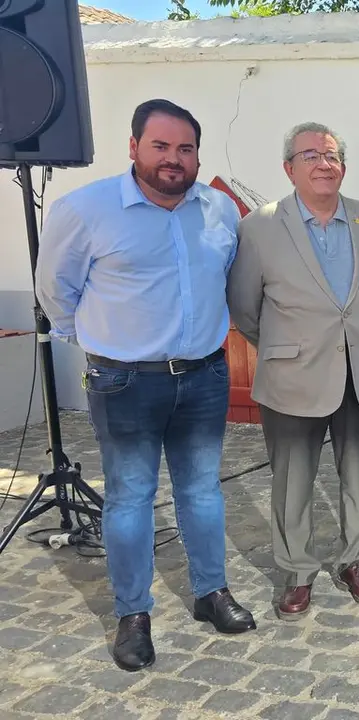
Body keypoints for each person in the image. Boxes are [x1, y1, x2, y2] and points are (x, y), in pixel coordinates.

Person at [34, 99, 256, 672]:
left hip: (205, 374)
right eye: (160, 146)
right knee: (131, 496)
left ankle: (211, 592)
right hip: (124, 381)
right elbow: (55, 290)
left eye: (185, 148)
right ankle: (133, 613)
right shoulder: (85, 210)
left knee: (202, 491)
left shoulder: (218, 210)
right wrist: (96, 340)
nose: (173, 159)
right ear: (133, 146)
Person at [227, 122, 359, 621]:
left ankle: (355, 560)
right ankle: (297, 571)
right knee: (293, 479)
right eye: (311, 156)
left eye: (332, 155)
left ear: (344, 166)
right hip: (292, 376)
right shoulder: (259, 227)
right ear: (289, 168)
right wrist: (285, 348)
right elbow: (244, 307)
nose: (324, 163)